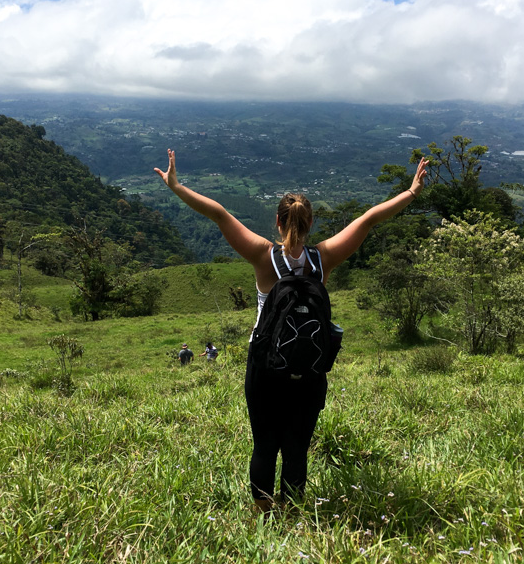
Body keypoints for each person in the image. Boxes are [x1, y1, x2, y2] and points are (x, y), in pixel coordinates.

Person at [154, 149, 428, 514]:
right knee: (297, 447)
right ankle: (294, 512)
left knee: (264, 445)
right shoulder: (324, 257)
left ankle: (262, 518)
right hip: (310, 367)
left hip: (265, 365)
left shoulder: (263, 256)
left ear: (279, 223)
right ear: (310, 223)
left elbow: (218, 213)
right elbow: (368, 220)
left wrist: (175, 186)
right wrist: (411, 192)